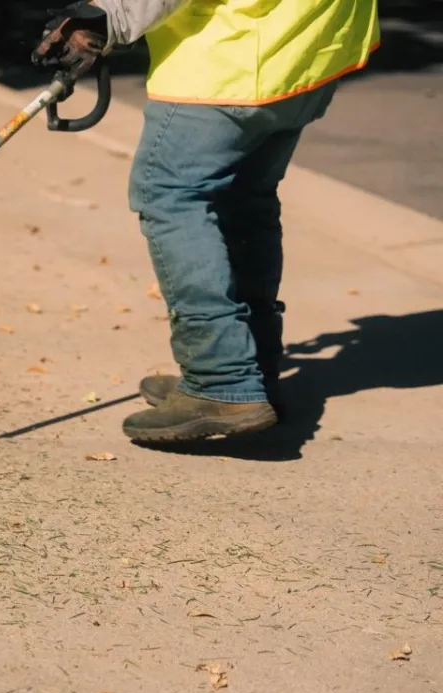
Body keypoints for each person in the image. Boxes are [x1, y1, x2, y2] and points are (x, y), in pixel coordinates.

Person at [32, 1, 381, 443]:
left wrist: (108, 16)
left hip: (232, 58)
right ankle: (253, 374)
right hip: (308, 48)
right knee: (244, 198)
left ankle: (221, 382)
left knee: (169, 194)